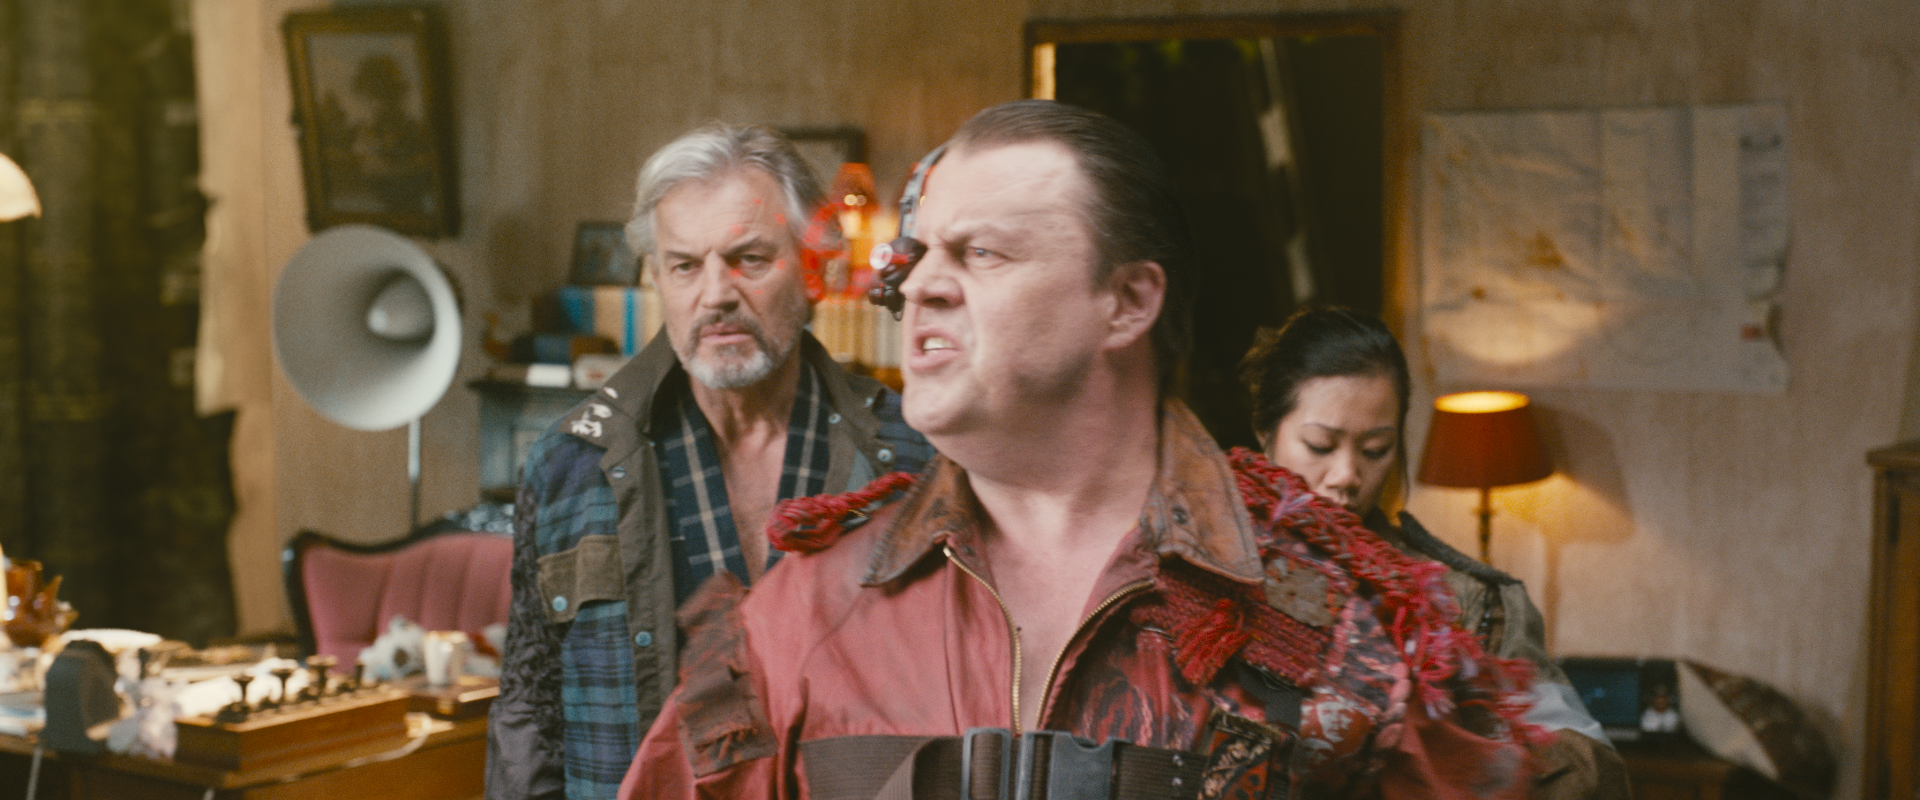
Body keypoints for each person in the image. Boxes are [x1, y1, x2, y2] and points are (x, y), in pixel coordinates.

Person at [621, 100, 1548, 800]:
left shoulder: (1346, 625)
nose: (919, 287)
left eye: (982, 254)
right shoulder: (800, 612)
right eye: (920, 256)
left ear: (1129, 301)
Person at [486, 124, 933, 800]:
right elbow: (529, 711)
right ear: (657, 280)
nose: (716, 293)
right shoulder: (571, 464)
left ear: (814, 269)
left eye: (749, 259)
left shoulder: (911, 453)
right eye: (685, 266)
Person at [1240, 306, 1629, 799]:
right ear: (1265, 433)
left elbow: (1593, 770)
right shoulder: (1207, 570)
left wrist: (1459, 756)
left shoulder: (1469, 602)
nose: (1347, 476)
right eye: (1320, 445)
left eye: (1375, 449)